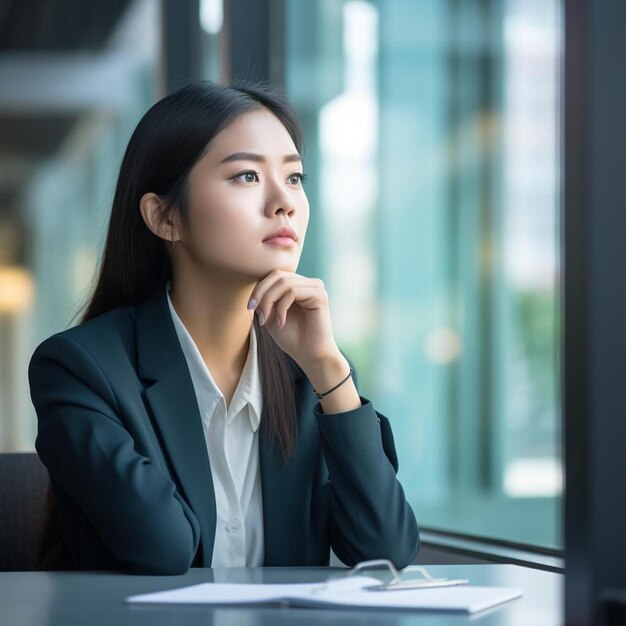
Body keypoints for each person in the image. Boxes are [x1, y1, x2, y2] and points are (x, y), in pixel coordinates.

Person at [27, 80, 420, 575]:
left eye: (295, 178)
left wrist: (328, 369)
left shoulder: (309, 373)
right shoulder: (80, 369)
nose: (285, 203)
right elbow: (164, 549)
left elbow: (386, 550)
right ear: (165, 217)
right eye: (247, 176)